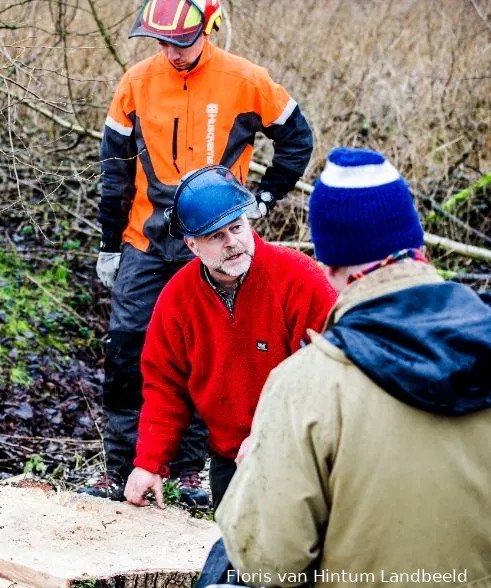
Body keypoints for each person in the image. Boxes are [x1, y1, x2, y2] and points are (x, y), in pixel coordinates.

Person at [215, 148, 491, 586]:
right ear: (416, 246)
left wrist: (257, 468)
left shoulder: (307, 383)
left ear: (330, 265)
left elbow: (268, 563)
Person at [87, 0, 314, 504]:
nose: (171, 51)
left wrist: (264, 199)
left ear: (207, 30)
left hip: (213, 235)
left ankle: (190, 469)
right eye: (162, 42)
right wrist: (109, 243)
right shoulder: (136, 83)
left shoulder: (245, 79)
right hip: (146, 238)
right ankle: (121, 466)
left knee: (204, 351)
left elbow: (296, 139)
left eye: (181, 42)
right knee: (127, 350)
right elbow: (114, 169)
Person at [121, 166, 336, 510]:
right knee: (237, 558)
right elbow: (164, 385)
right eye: (215, 236)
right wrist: (149, 460)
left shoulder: (299, 278)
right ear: (192, 245)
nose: (232, 242)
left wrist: (273, 430)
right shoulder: (178, 299)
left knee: (308, 558)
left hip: (304, 451)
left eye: (236, 227)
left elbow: (332, 372)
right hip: (231, 458)